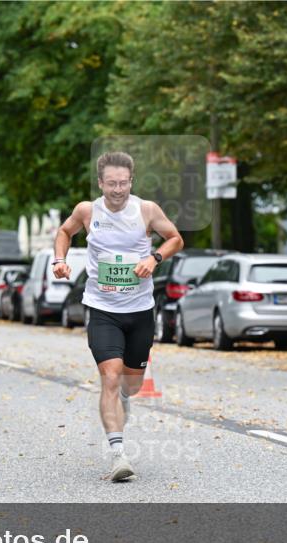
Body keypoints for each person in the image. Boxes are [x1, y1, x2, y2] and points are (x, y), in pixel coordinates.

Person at [53, 152, 184, 481]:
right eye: (111, 183)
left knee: (132, 383)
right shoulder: (87, 211)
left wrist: (154, 258)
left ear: (131, 181)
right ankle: (118, 454)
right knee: (109, 377)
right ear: (100, 183)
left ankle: (126, 396)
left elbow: (175, 239)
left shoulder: (146, 210)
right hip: (102, 309)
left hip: (139, 310)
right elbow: (64, 232)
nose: (117, 190)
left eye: (123, 183)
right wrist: (59, 259)